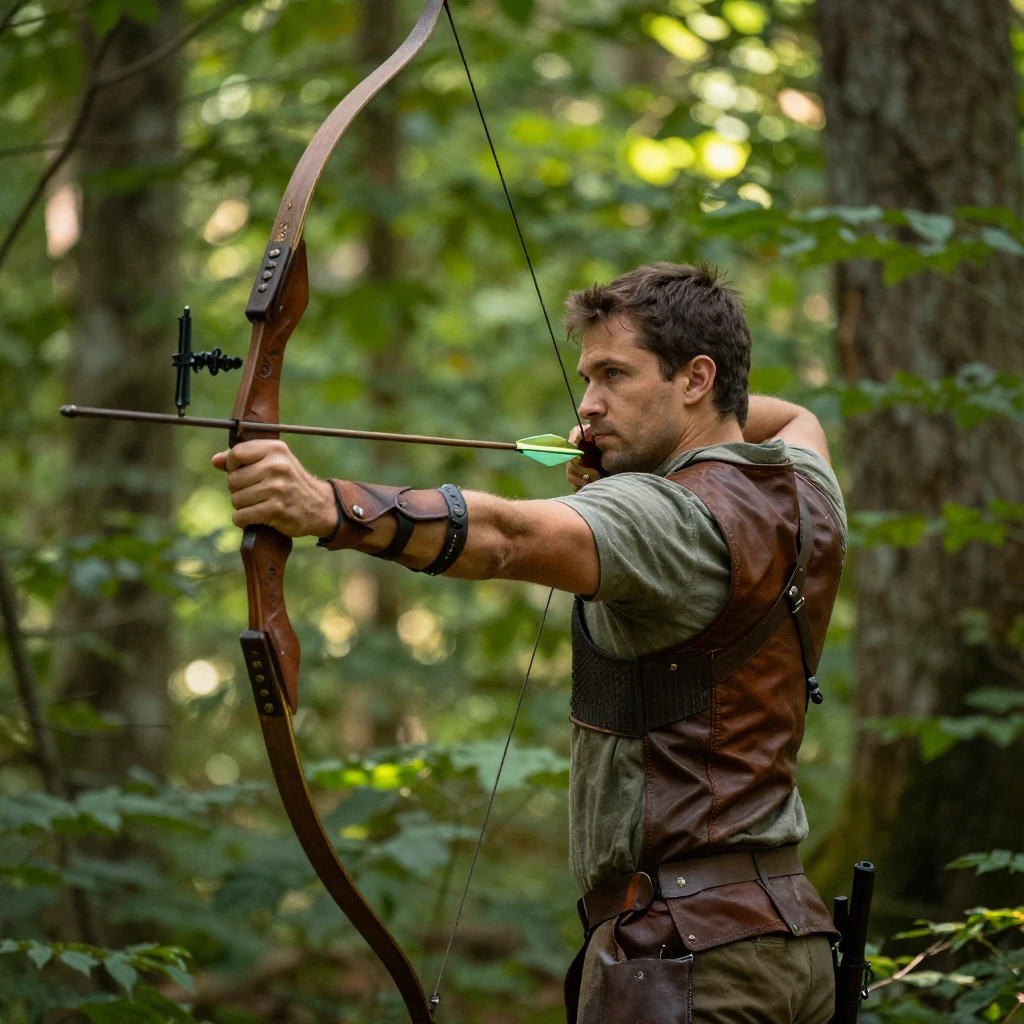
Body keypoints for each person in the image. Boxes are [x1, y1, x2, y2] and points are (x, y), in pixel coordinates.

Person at [213, 261, 845, 1024]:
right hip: (796, 941)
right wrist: (642, 434)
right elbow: (793, 416)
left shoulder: (661, 514)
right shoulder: (804, 485)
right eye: (588, 379)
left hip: (690, 961)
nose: (589, 403)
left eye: (615, 375)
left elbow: (507, 538)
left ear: (695, 378)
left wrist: (324, 505)